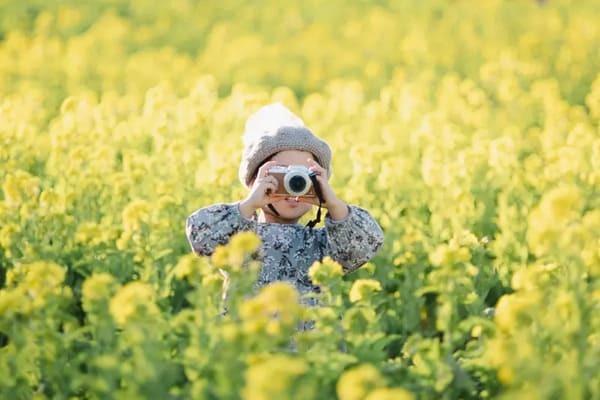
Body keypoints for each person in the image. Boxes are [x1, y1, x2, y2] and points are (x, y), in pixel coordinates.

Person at [185, 103, 384, 301]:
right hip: (249, 331)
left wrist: (332, 203)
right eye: (282, 174)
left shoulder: (322, 245)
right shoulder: (241, 240)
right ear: (254, 182)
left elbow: (365, 245)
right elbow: (202, 237)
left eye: (304, 177)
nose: (293, 184)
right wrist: (249, 204)